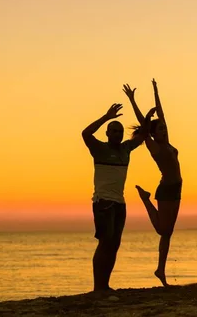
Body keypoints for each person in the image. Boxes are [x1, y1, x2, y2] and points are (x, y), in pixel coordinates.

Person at [82, 103, 154, 292]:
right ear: (107, 133)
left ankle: (105, 285)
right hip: (103, 202)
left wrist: (145, 117)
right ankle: (99, 287)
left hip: (119, 203)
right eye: (113, 131)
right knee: (105, 243)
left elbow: (144, 134)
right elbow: (85, 134)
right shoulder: (99, 148)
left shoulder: (125, 149)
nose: (117, 134)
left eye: (119, 131)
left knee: (114, 245)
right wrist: (106, 117)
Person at [123, 80, 183, 287]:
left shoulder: (167, 143)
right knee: (163, 231)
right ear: (153, 133)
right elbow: (145, 126)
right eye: (160, 129)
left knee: (167, 232)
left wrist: (156, 92)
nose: (164, 130)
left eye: (165, 128)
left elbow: (162, 114)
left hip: (176, 189)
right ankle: (145, 200)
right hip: (166, 190)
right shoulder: (154, 146)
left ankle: (160, 270)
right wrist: (132, 100)